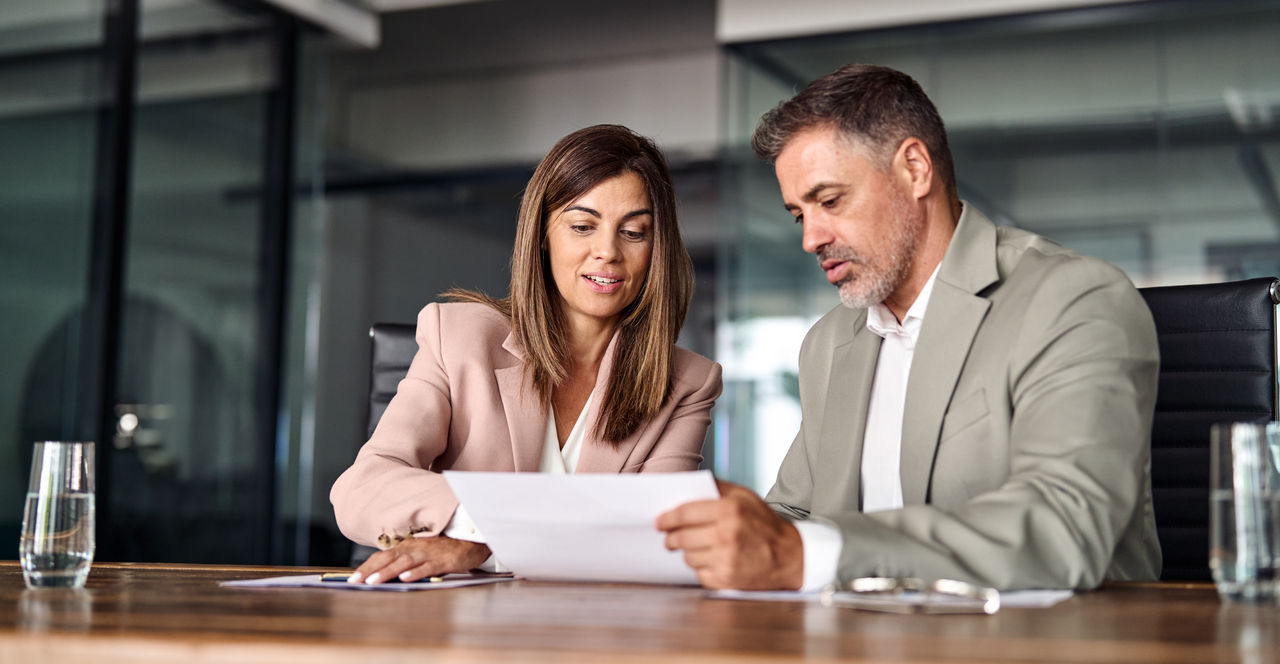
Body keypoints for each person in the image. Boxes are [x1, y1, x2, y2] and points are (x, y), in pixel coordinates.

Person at [656, 64, 1161, 591]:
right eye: (799, 214)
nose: (811, 238)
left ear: (915, 169)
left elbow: (1065, 527)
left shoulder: (1072, 300)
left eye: (829, 201)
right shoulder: (829, 343)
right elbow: (796, 514)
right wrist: (731, 531)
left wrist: (809, 553)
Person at [333, 124, 722, 584]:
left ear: (657, 249)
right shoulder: (456, 336)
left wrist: (490, 541)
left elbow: (659, 540)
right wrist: (478, 530)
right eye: (582, 226)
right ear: (542, 235)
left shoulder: (688, 382)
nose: (607, 252)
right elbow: (362, 487)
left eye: (634, 232)